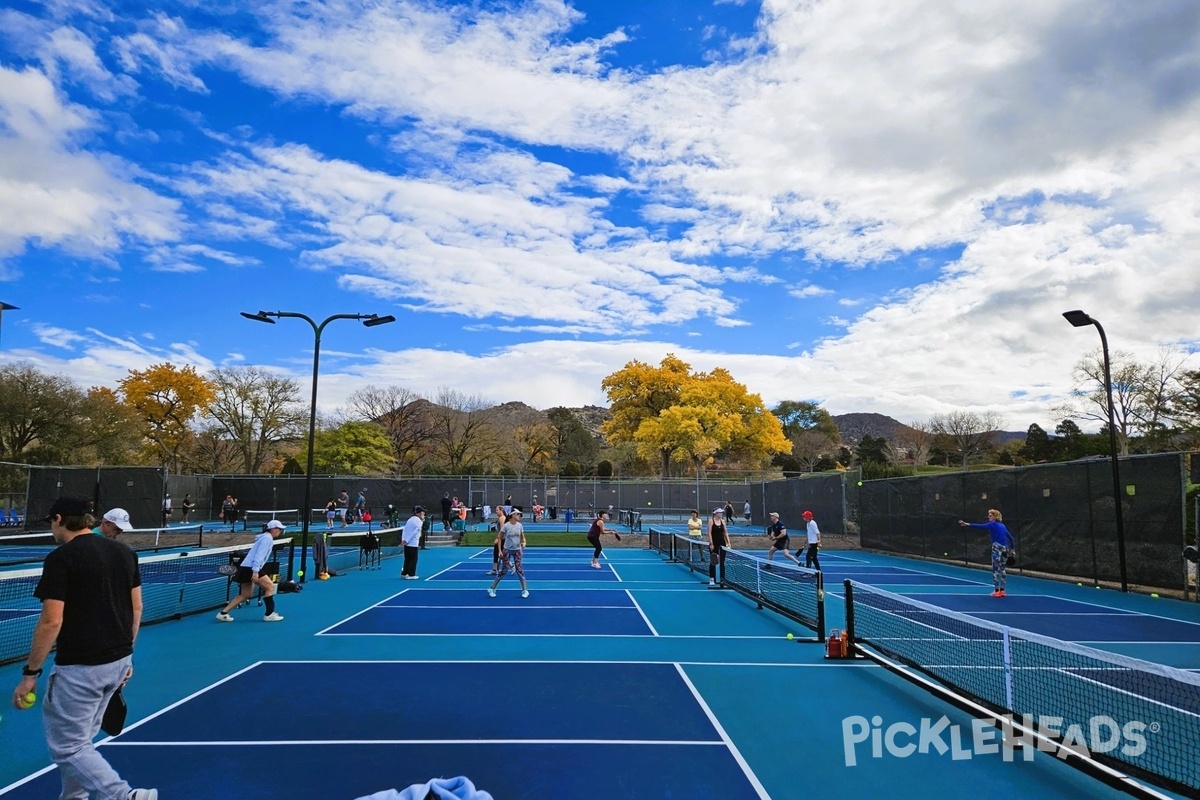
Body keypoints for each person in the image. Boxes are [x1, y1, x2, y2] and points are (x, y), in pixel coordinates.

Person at [13, 497, 157, 800]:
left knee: (68, 747)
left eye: (52, 522)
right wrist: (127, 656)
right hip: (117, 663)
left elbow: (51, 621)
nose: (52, 528)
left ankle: (122, 796)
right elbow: (137, 608)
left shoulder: (61, 558)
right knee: (81, 743)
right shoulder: (125, 553)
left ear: (60, 519)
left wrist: (30, 674)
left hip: (81, 669)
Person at [216, 519, 285, 621]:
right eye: (279, 529)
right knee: (270, 586)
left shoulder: (265, 537)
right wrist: (255, 571)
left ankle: (223, 613)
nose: (280, 531)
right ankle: (269, 614)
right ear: (273, 529)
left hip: (246, 567)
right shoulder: (267, 539)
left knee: (246, 594)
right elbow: (259, 556)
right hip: (251, 568)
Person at [960, 509, 1016, 597]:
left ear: (995, 516)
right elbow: (1011, 538)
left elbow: (981, 526)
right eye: (988, 515)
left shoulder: (992, 524)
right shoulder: (1002, 526)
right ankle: (1002, 590)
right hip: (1005, 548)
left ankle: (997, 591)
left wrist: (968, 524)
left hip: (996, 547)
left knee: (995, 568)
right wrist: (1012, 549)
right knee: (1002, 569)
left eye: (990, 515)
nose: (989, 516)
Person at [488, 509, 529, 598]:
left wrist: (524, 542)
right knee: (504, 570)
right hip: (507, 549)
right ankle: (492, 588)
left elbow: (523, 537)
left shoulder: (520, 526)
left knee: (519, 569)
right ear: (512, 515)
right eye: (518, 514)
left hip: (517, 550)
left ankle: (525, 590)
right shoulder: (506, 526)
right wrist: (499, 550)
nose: (519, 516)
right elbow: (499, 538)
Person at [708, 508, 732, 587]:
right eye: (719, 512)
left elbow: (725, 532)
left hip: (722, 544)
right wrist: (711, 543)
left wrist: (728, 542)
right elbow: (709, 533)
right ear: (715, 513)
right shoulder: (711, 521)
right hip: (714, 543)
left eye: (722, 512)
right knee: (713, 561)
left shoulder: (723, 521)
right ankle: (712, 578)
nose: (721, 514)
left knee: (722, 562)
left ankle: (722, 579)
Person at [401, 506, 425, 579]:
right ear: (419, 513)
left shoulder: (410, 519)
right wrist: (407, 540)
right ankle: (411, 574)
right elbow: (415, 532)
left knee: (407, 558)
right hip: (413, 543)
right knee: (413, 559)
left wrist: (404, 539)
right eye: (423, 512)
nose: (424, 513)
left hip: (407, 543)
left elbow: (404, 530)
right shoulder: (419, 521)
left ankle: (404, 573)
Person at [487, 505, 507, 575]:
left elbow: (502, 530)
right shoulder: (501, 518)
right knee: (497, 554)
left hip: (502, 539)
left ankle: (511, 566)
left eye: (497, 510)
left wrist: (497, 539)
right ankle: (495, 569)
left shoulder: (502, 518)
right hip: (502, 539)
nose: (496, 512)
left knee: (500, 554)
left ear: (501, 510)